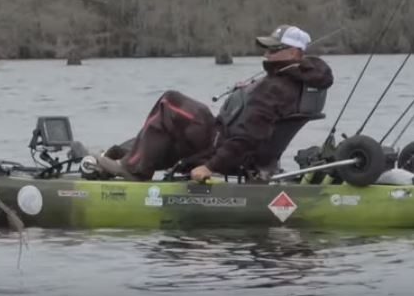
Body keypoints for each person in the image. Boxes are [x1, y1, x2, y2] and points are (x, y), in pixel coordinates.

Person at [88, 25, 335, 182]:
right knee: (168, 127)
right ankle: (117, 158)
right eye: (267, 49)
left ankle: (132, 169)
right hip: (233, 144)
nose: (267, 55)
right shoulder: (294, 80)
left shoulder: (276, 88)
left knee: (170, 103)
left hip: (223, 146)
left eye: (274, 50)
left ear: (293, 53)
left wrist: (209, 167)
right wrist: (245, 95)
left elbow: (248, 137)